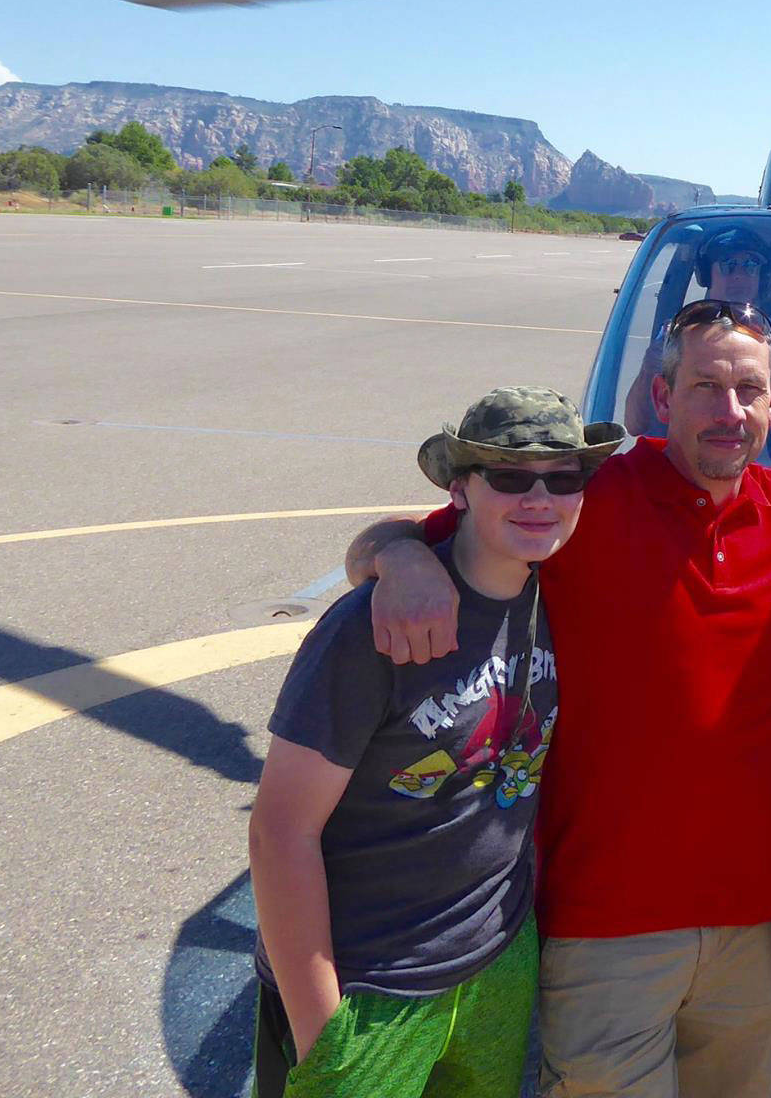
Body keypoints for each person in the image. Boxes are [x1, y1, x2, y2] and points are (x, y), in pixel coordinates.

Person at [347, 303, 771, 1098]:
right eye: (706, 386)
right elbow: (415, 531)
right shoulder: (584, 497)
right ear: (660, 396)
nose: (730, 410)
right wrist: (398, 558)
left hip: (752, 926)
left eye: (749, 389)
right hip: (606, 922)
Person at [247, 387, 621, 1098]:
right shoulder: (376, 628)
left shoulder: (562, 591)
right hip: (371, 982)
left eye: (563, 477)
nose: (539, 497)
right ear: (460, 488)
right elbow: (278, 832)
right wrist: (322, 1033)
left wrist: (389, 546)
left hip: (495, 965)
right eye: (510, 476)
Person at [623, 225, 771, 436]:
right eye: (728, 265)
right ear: (707, 275)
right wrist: (649, 368)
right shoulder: (677, 335)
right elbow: (635, 425)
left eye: (750, 266)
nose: (739, 276)